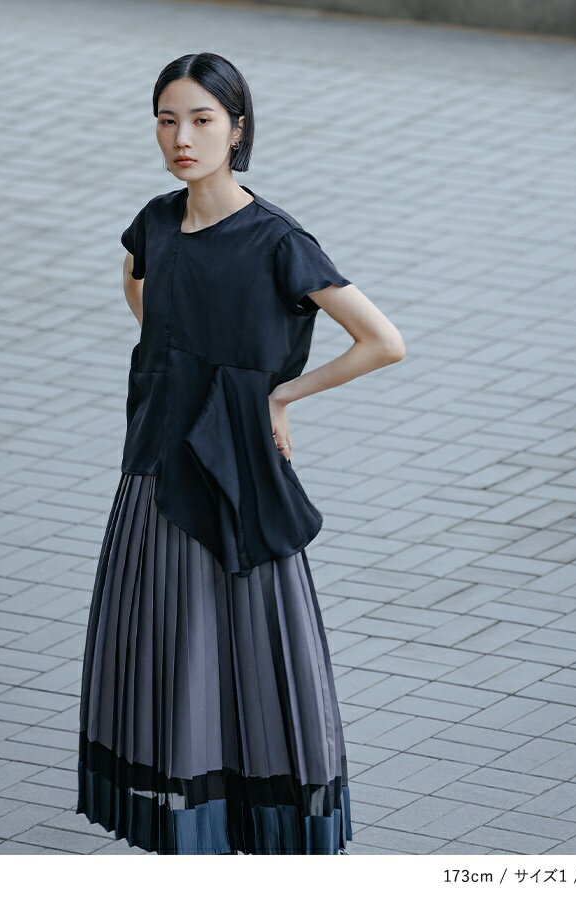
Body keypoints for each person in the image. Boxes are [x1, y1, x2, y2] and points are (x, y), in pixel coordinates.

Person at [77, 51, 406, 855]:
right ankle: (182, 812)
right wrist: (175, 356)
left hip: (233, 470)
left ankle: (250, 820)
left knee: (242, 645)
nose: (181, 139)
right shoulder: (156, 222)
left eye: (201, 120)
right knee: (164, 639)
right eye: (167, 121)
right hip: (154, 458)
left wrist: (279, 395)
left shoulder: (276, 240)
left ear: (237, 129)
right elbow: (138, 282)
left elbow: (382, 341)